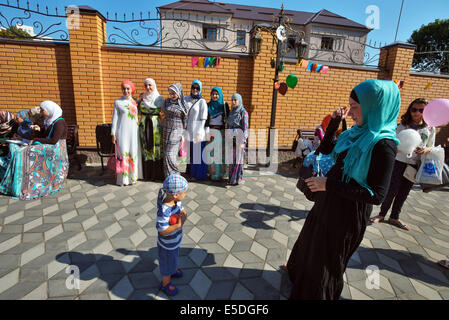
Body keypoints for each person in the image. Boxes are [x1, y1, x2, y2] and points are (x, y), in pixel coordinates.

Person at [286, 79, 400, 300]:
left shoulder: (384, 145)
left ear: (374, 107)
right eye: (350, 106)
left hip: (346, 215)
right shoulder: (355, 133)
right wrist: (335, 122)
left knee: (326, 262)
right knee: (310, 245)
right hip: (328, 202)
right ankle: (299, 280)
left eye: (356, 107)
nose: (352, 113)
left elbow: (376, 195)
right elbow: (326, 149)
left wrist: (328, 184)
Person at [369, 98, 434, 230]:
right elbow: (393, 144)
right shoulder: (402, 126)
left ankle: (395, 217)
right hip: (399, 162)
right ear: (410, 110)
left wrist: (425, 150)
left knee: (404, 192)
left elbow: (431, 146)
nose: (417, 113)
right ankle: (381, 214)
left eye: (421, 110)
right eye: (414, 109)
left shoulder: (430, 128)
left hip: (414, 165)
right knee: (391, 190)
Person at [0, 101, 69, 200]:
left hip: (55, 150)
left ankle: (31, 182)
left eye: (42, 110)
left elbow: (53, 141)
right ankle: (22, 181)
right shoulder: (51, 121)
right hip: (49, 147)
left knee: (26, 152)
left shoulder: (59, 122)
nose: (41, 112)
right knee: (21, 150)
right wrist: (39, 130)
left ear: (50, 110)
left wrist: (36, 140)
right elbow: (47, 137)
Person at [156, 174, 188, 296]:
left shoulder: (175, 201)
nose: (184, 195)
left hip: (174, 241)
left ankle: (173, 269)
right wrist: (177, 226)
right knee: (167, 263)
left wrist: (183, 212)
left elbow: (181, 207)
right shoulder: (164, 210)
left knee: (173, 258)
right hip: (166, 245)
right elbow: (162, 230)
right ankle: (165, 284)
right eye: (184, 193)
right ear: (175, 194)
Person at [111, 80, 143, 186]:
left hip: (134, 133)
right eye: (124, 88)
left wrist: (143, 97)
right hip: (122, 132)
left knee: (133, 153)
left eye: (128, 88)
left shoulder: (134, 102)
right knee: (123, 154)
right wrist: (113, 134)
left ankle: (133, 177)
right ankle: (124, 179)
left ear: (132, 90)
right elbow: (114, 119)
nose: (126, 90)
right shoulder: (118, 102)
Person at [137, 78, 165, 181]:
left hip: (156, 128)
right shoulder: (141, 98)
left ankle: (156, 175)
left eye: (150, 85)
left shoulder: (159, 99)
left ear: (154, 85)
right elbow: (136, 111)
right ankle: (147, 174)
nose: (148, 87)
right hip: (144, 128)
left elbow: (165, 113)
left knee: (156, 149)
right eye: (146, 85)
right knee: (145, 148)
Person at [161, 83, 189, 177]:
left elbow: (185, 120)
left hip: (177, 131)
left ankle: (175, 174)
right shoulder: (166, 102)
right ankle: (167, 176)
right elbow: (163, 112)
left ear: (179, 93)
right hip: (166, 129)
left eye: (174, 93)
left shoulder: (183, 104)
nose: (172, 95)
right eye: (170, 93)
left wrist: (183, 133)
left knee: (170, 154)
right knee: (166, 153)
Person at [184, 80, 208, 181]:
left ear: (200, 89)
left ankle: (197, 175)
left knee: (197, 154)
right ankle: (189, 172)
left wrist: (199, 133)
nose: (195, 90)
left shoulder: (202, 101)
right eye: (193, 87)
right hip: (188, 130)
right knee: (190, 153)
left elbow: (204, 118)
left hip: (198, 130)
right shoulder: (186, 99)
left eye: (197, 88)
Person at [206, 86, 230, 181]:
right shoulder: (208, 105)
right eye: (213, 94)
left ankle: (222, 174)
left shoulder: (224, 105)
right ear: (211, 95)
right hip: (211, 132)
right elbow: (205, 120)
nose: (215, 96)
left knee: (221, 154)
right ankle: (213, 175)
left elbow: (228, 118)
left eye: (217, 94)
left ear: (220, 95)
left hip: (222, 132)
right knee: (212, 154)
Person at [226, 93, 249, 186]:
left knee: (238, 161)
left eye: (235, 100)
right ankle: (231, 179)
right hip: (231, 138)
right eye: (232, 100)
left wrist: (243, 141)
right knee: (231, 161)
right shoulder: (232, 112)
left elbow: (246, 128)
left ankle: (237, 179)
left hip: (239, 138)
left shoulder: (243, 112)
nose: (233, 102)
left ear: (239, 101)